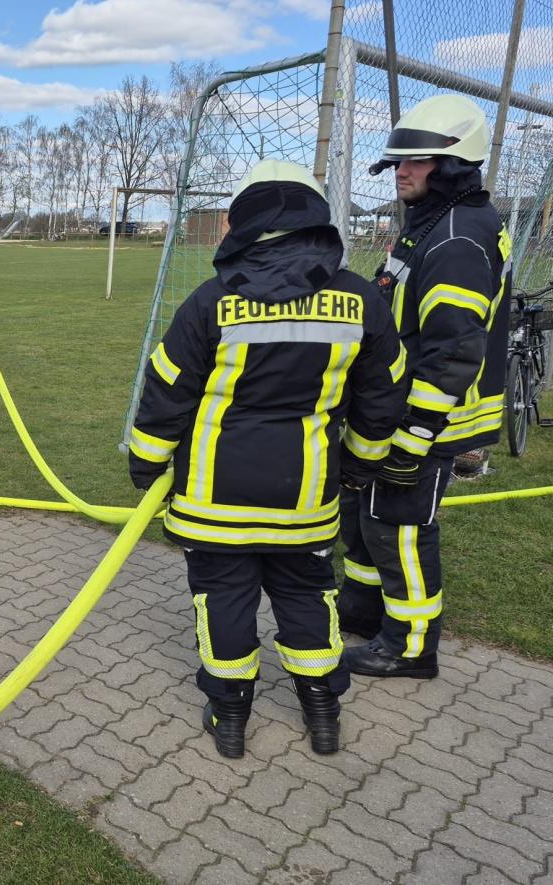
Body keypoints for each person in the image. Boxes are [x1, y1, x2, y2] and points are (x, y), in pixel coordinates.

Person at [129, 159, 405, 758]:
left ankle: (229, 719)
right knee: (309, 598)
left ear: (242, 222)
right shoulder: (360, 300)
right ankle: (322, 712)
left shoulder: (212, 300)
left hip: (213, 499)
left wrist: (146, 464)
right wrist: (361, 463)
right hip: (304, 501)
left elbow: (166, 388)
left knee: (223, 603)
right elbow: (384, 396)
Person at [338, 94, 511, 679]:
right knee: (367, 521)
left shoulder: (458, 239)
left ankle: (409, 648)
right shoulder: (437, 220)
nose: (400, 172)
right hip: (397, 409)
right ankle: (363, 611)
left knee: (400, 529)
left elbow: (454, 351)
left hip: (427, 419)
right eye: (398, 161)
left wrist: (414, 435)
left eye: (417, 161)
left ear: (456, 164)